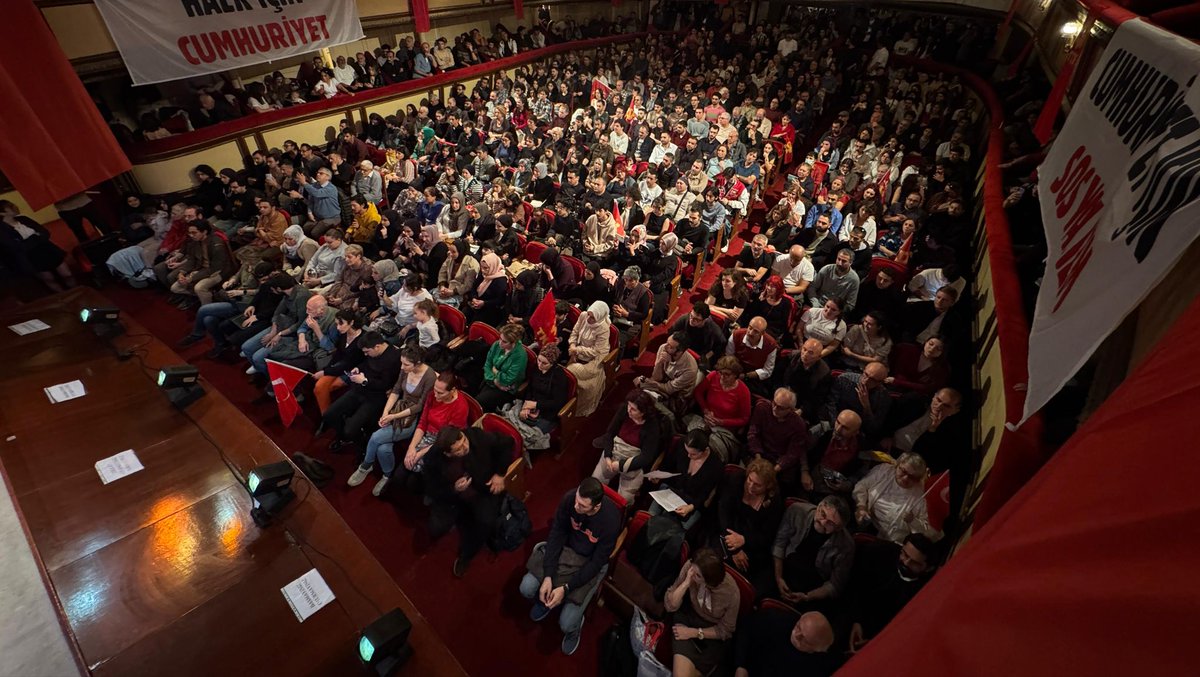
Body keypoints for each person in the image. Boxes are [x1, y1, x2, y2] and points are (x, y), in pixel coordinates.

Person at [521, 477, 622, 655]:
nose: (576, 507)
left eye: (582, 506)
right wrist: (548, 575)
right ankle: (548, 600)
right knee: (527, 588)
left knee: (566, 623)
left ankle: (576, 627)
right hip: (566, 551)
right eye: (576, 500)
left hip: (588, 564)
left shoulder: (611, 520)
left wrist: (566, 589)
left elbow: (597, 563)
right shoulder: (570, 499)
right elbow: (557, 534)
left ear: (596, 507)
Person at [421, 425, 511, 577]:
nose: (465, 447)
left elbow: (508, 443)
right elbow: (432, 489)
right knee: (435, 529)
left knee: (485, 522)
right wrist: (454, 489)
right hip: (452, 496)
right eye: (459, 449)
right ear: (448, 454)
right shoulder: (433, 459)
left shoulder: (475, 436)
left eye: (463, 441)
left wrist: (500, 474)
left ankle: (466, 556)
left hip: (481, 491)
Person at [348, 346, 437, 496]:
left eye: (406, 365)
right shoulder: (405, 369)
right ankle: (387, 475)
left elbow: (420, 406)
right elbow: (396, 390)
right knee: (383, 449)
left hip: (413, 418)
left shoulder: (430, 377)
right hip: (398, 409)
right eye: (402, 363)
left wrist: (393, 417)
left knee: (376, 437)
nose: (402, 367)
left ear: (418, 362)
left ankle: (366, 465)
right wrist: (386, 413)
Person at [842, 533, 937, 657]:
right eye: (905, 554)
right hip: (854, 614)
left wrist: (876, 642)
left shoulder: (926, 592)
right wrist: (857, 620)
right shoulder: (880, 553)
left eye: (914, 562)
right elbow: (858, 585)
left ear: (927, 568)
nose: (905, 562)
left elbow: (906, 630)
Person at [663, 548, 740, 677]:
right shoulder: (691, 569)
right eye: (692, 571)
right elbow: (670, 605)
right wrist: (686, 583)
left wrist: (693, 633)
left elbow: (726, 630)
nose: (692, 574)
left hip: (711, 634)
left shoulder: (731, 593)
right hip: (689, 618)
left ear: (709, 581)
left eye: (697, 576)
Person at [321, 331, 403, 451]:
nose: (365, 354)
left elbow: (386, 384)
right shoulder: (373, 352)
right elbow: (366, 363)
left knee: (350, 430)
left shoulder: (394, 358)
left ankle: (356, 440)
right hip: (359, 389)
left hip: (375, 397)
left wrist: (365, 381)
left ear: (377, 347)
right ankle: (346, 437)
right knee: (329, 414)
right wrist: (357, 368)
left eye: (367, 352)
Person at [713, 459, 784, 595]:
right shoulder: (737, 480)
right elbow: (724, 513)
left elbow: (767, 536)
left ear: (768, 486)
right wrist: (735, 549)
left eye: (757, 485)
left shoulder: (774, 501)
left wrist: (744, 540)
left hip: (753, 542)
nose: (750, 487)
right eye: (750, 480)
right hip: (728, 533)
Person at [772, 495, 855, 609]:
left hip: (814, 584)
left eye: (830, 523)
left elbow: (835, 585)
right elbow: (779, 544)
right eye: (823, 514)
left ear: (838, 529)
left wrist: (807, 597)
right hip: (786, 566)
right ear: (819, 506)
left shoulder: (846, 545)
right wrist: (778, 578)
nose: (823, 522)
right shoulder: (797, 511)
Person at [591, 390, 666, 502]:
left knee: (624, 499)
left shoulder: (652, 427)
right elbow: (610, 434)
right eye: (628, 406)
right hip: (614, 452)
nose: (629, 410)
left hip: (633, 460)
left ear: (643, 412)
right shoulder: (624, 410)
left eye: (633, 409)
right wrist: (607, 456)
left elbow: (646, 457)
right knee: (594, 484)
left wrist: (621, 465)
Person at [397, 371, 470, 484]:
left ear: (453, 390)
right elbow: (423, 423)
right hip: (426, 435)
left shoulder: (460, 407)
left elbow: (447, 440)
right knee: (401, 473)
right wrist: (412, 447)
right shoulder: (432, 395)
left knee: (412, 481)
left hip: (441, 443)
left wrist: (419, 453)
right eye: (435, 390)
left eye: (440, 393)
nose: (435, 395)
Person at [853, 452, 938, 543]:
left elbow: (932, 533)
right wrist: (861, 506)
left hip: (890, 542)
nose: (905, 478)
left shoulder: (922, 497)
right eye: (903, 471)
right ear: (898, 465)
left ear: (918, 479)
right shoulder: (884, 470)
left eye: (912, 477)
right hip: (866, 524)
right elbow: (861, 486)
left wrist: (913, 521)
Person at [646, 429, 722, 531]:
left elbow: (705, 494)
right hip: (672, 490)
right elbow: (669, 465)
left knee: (678, 531)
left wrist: (691, 507)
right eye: (687, 451)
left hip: (692, 501)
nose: (688, 456)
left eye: (693, 454)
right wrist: (659, 476)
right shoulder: (682, 444)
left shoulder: (715, 466)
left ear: (705, 450)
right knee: (649, 519)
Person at [499, 345, 570, 452]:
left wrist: (535, 405)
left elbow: (558, 403)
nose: (540, 365)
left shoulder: (559, 376)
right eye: (539, 360)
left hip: (547, 414)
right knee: (509, 427)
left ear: (553, 363)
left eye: (544, 363)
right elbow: (530, 388)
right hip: (531, 404)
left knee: (525, 437)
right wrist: (526, 406)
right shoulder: (536, 367)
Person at [733, 609, 837, 677]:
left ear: (815, 649)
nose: (796, 635)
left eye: (804, 639)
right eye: (798, 626)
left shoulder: (819, 668)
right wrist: (741, 665)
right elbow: (746, 627)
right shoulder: (777, 620)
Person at [0, 200, 75, 292]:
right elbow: (16, 247)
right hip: (30, 256)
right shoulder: (2, 229)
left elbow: (45, 233)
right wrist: (35, 237)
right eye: (10, 207)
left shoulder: (23, 219)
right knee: (49, 279)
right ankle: (64, 296)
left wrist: (30, 240)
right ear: (2, 213)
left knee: (67, 274)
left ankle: (76, 291)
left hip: (47, 249)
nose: (15, 207)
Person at [747, 387, 811, 489]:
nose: (775, 409)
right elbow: (753, 434)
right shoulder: (762, 408)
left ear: (791, 409)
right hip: (758, 454)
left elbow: (792, 454)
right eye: (774, 403)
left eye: (780, 408)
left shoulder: (798, 425)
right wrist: (758, 458)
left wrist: (774, 469)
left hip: (779, 462)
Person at [691, 356, 752, 461]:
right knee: (693, 439)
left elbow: (744, 419)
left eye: (727, 374)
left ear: (736, 375)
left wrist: (722, 422)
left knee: (712, 448)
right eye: (720, 373)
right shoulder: (713, 376)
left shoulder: (743, 391)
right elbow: (698, 392)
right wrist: (705, 410)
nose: (722, 377)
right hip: (708, 419)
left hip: (725, 427)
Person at [170, 220, 235, 308]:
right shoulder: (195, 242)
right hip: (201, 269)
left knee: (199, 287)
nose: (191, 235)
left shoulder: (216, 244)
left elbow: (215, 268)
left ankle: (207, 307)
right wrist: (182, 272)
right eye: (189, 233)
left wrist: (191, 278)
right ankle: (207, 296)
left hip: (219, 272)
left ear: (204, 232)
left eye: (194, 233)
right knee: (175, 288)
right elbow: (192, 260)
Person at [634, 331, 699, 418]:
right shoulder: (663, 348)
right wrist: (660, 363)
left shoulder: (690, 369)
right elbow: (657, 377)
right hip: (664, 382)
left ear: (680, 351)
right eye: (667, 342)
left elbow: (669, 389)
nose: (666, 346)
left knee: (649, 404)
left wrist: (650, 382)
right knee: (636, 382)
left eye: (670, 347)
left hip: (676, 394)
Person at [566, 301, 611, 417]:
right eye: (589, 314)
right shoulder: (583, 315)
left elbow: (596, 351)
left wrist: (577, 350)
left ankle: (575, 406)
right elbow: (575, 333)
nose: (589, 318)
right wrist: (572, 345)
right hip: (577, 350)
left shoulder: (604, 328)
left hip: (594, 358)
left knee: (571, 371)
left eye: (592, 317)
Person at [825, 363, 892, 442]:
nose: (866, 381)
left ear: (880, 383)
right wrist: (836, 425)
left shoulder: (883, 397)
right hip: (835, 422)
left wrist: (866, 406)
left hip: (858, 433)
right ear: (863, 370)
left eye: (872, 380)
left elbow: (874, 428)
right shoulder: (845, 379)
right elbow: (830, 404)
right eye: (866, 375)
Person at [477, 323, 528, 412]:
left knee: (480, 402)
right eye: (500, 338)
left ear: (513, 343)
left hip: (506, 389)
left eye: (504, 341)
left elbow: (508, 379)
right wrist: (494, 380)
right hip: (492, 381)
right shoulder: (497, 345)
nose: (500, 343)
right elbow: (488, 364)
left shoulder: (520, 356)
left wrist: (495, 371)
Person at [725, 316, 778, 392]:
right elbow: (729, 356)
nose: (750, 332)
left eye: (756, 331)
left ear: (762, 333)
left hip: (753, 378)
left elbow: (767, 371)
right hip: (734, 370)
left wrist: (746, 376)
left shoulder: (771, 345)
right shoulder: (736, 335)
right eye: (750, 328)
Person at [806, 248, 860, 313]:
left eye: (844, 261)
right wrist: (815, 303)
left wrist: (835, 311)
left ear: (850, 263)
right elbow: (812, 287)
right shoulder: (826, 269)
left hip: (836, 311)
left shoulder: (854, 279)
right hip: (818, 304)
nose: (840, 263)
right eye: (838, 259)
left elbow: (850, 304)